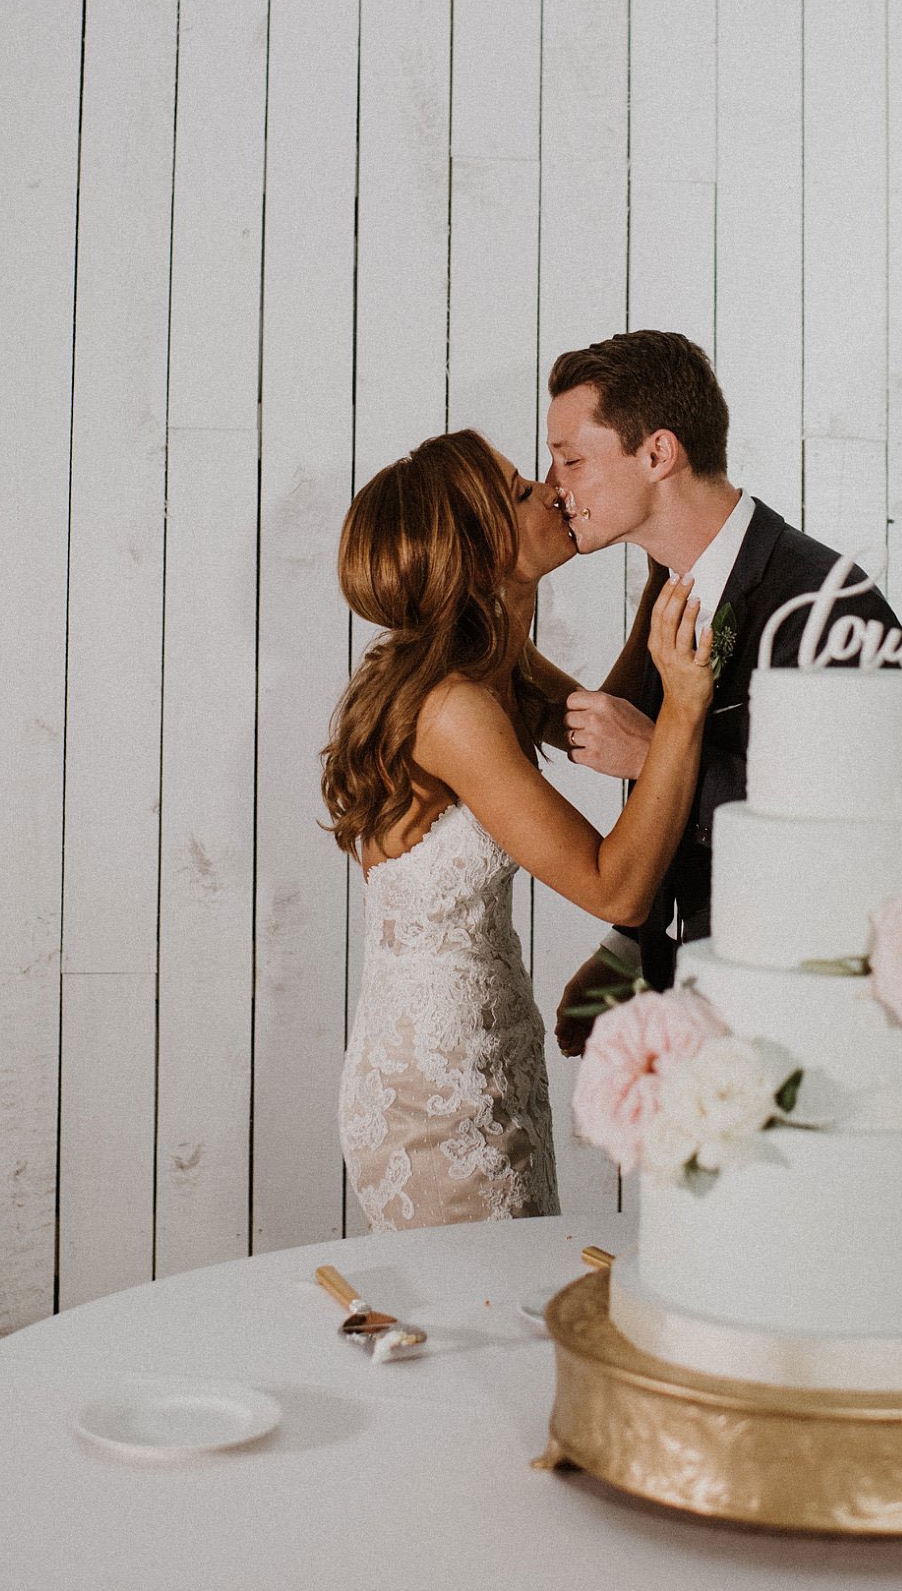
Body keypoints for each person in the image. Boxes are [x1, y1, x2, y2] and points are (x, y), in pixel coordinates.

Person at [322, 428, 714, 1234]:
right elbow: (618, 881)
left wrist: (660, 568)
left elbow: (599, 729)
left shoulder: (498, 663)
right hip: (434, 1090)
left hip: (495, 1046)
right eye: (518, 491)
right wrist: (686, 703)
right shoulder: (455, 709)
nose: (549, 489)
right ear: (477, 549)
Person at [544, 330, 902, 1048]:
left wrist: (655, 754)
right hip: (694, 1009)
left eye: (572, 460)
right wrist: (629, 944)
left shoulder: (829, 605)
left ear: (657, 453)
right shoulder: (671, 589)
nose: (558, 487)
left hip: (799, 1017)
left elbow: (848, 833)